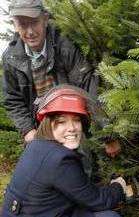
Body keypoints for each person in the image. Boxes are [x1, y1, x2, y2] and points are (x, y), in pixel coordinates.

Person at [1, 85, 127, 217]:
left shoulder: (36, 145)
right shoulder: (60, 159)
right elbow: (98, 201)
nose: (72, 128)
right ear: (48, 124)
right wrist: (119, 186)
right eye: (62, 122)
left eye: (77, 120)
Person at [2, 0, 99, 143]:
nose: (30, 32)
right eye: (22, 24)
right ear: (15, 25)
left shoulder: (66, 46)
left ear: (45, 19)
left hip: (74, 125)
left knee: (81, 163)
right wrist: (28, 130)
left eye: (34, 22)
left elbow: (88, 88)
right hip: (41, 128)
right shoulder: (10, 57)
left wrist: (105, 135)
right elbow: (12, 99)